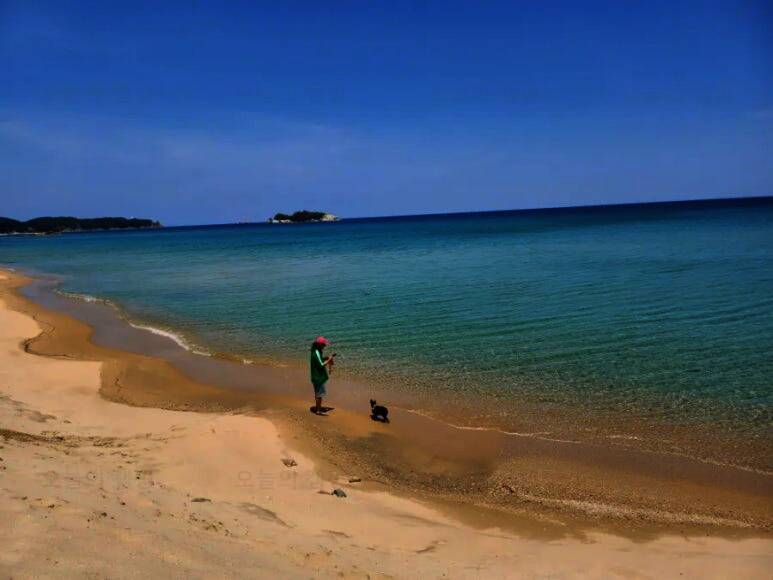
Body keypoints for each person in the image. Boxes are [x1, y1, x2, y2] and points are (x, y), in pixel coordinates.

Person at [310, 336, 335, 415]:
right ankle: (318, 410)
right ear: (319, 345)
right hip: (318, 377)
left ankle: (318, 408)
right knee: (319, 395)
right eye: (323, 345)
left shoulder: (316, 351)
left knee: (318, 394)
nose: (325, 346)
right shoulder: (316, 353)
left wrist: (326, 358)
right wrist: (329, 359)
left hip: (315, 376)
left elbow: (319, 361)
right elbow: (321, 365)